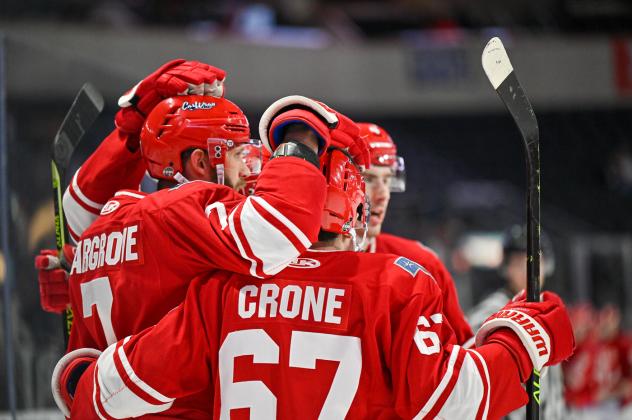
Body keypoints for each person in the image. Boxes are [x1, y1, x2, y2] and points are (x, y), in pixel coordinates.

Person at [54, 143, 574, 419]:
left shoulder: (220, 290)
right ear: (352, 215)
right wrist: (524, 340)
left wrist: (79, 378)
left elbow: (121, 385)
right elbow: (448, 397)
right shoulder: (393, 282)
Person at [357, 122, 473, 345]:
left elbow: (462, 351)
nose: (383, 195)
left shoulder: (421, 263)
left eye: (387, 180)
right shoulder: (298, 261)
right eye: (369, 179)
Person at [467, 224, 566, 419]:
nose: (529, 269)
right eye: (519, 262)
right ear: (506, 267)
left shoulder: (547, 310)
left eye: (537, 261)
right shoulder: (491, 312)